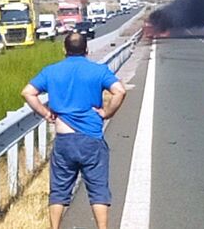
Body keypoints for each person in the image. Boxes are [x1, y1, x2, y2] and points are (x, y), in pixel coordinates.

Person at [21, 33, 126, 229]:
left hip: (64, 139)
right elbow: (120, 90)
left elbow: (28, 92)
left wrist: (46, 113)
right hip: (91, 139)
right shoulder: (98, 70)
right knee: (98, 189)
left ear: (64, 49)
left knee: (59, 190)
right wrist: (106, 113)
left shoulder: (51, 71)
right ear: (87, 50)